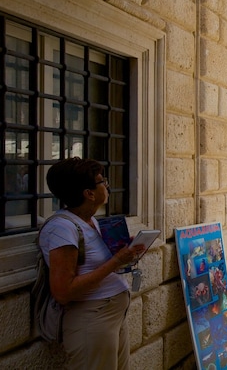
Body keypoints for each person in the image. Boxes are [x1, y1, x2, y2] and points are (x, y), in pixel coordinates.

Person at [39, 157, 148, 370]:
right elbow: (63, 291)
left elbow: (96, 265)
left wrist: (126, 252)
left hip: (109, 316)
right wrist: (117, 260)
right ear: (88, 193)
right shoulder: (63, 229)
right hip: (92, 319)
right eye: (102, 181)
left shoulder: (90, 221)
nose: (107, 185)